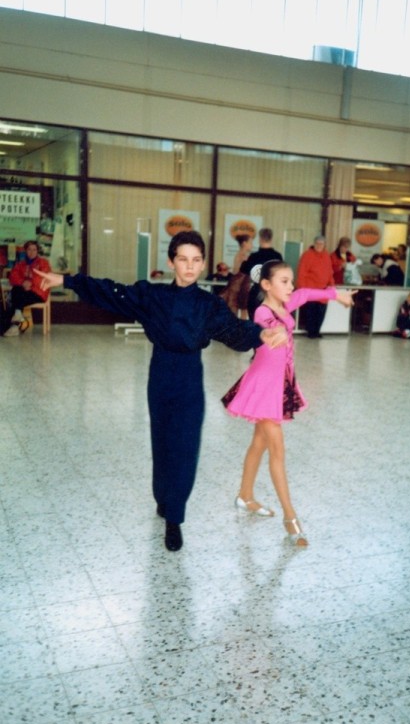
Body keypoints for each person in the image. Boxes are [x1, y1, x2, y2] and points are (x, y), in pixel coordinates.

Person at [35, 231, 287, 553]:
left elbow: (235, 332)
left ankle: (175, 518)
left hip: (189, 378)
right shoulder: (152, 296)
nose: (190, 267)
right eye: (183, 259)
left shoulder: (208, 305)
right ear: (171, 262)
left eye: (196, 260)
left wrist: (262, 333)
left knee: (184, 447)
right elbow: (112, 292)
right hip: (160, 375)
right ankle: (162, 499)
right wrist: (67, 281)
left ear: (204, 263)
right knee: (162, 442)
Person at [221, 259, 355, 547]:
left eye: (290, 280)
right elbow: (268, 329)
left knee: (259, 443)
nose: (290, 286)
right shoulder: (261, 311)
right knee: (277, 450)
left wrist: (337, 295)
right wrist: (276, 334)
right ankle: (290, 517)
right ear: (266, 285)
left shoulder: (285, 303)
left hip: (280, 383)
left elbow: (306, 294)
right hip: (263, 387)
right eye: (283, 281)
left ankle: (245, 496)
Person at [2, 240, 51, 337]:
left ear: (37, 251)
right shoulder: (21, 264)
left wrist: (31, 284)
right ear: (25, 251)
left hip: (38, 293)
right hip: (23, 292)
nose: (32, 252)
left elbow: (44, 277)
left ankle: (11, 326)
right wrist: (22, 282)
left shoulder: (43, 263)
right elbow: (13, 276)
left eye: (34, 250)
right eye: (29, 249)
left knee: (14, 298)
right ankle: (17, 317)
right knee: (16, 290)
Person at [296, 234, 335, 338]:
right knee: (311, 312)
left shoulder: (326, 255)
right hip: (311, 289)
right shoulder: (307, 255)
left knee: (321, 312)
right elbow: (301, 273)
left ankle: (317, 331)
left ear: (324, 245)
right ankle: (311, 332)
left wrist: (332, 285)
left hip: (323, 290)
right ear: (314, 244)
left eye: (321, 244)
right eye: (317, 243)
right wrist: (302, 289)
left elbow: (330, 272)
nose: (319, 246)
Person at [240, 228, 283, 319]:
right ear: (271, 239)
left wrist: (244, 262)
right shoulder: (277, 257)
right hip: (272, 294)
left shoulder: (254, 257)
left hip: (256, 292)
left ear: (260, 239)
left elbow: (243, 270)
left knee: (255, 323)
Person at [220, 234, 253, 317]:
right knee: (233, 307)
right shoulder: (240, 255)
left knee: (244, 307)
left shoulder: (246, 256)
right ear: (245, 243)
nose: (252, 245)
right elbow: (236, 271)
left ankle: (243, 327)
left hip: (244, 284)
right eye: (250, 243)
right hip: (238, 284)